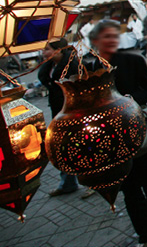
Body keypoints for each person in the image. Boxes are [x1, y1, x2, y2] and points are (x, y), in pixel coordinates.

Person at [89, 20, 147, 247]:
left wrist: (128, 102)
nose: (112, 40)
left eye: (114, 35)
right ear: (95, 42)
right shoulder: (90, 71)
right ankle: (146, 235)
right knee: (130, 192)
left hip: (140, 134)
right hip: (113, 142)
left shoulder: (132, 60)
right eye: (106, 37)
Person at [39, 38, 80, 196]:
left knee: (75, 146)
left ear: (59, 49)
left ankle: (93, 180)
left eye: (47, 49)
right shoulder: (50, 66)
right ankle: (68, 182)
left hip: (72, 112)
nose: (44, 53)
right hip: (59, 111)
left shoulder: (72, 65)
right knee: (63, 148)